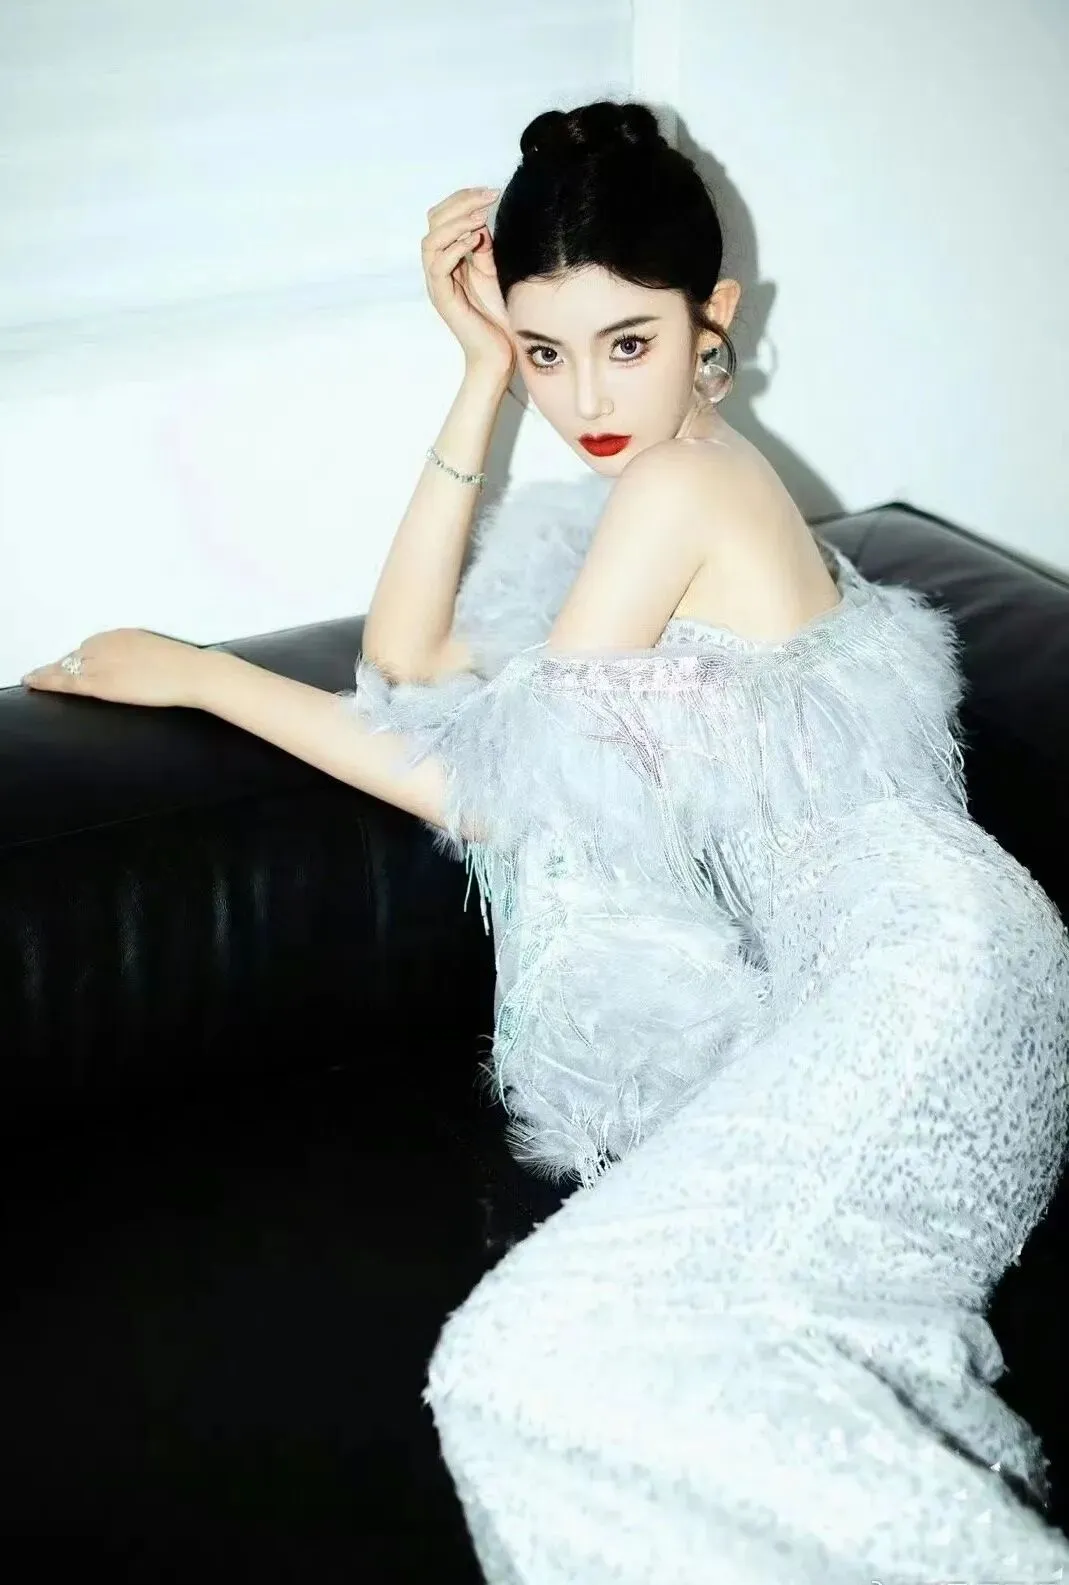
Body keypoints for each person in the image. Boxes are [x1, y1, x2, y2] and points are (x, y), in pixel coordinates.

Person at [22, 99, 1069, 1583]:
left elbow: (504, 793)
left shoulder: (685, 484)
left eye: (627, 342)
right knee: (575, 1368)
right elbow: (410, 659)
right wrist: (474, 382)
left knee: (535, 1361)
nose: (585, 394)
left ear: (715, 318)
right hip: (863, 988)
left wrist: (207, 675)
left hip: (927, 974)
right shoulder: (644, 501)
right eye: (544, 351)